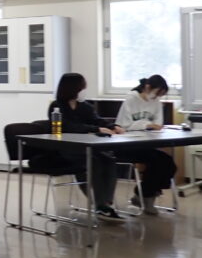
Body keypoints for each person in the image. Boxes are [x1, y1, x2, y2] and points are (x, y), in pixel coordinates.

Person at [48, 72, 126, 223]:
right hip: (66, 149)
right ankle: (101, 206)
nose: (84, 91)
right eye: (82, 88)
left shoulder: (84, 106)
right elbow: (68, 127)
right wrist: (95, 129)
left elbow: (97, 120)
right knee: (94, 162)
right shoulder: (56, 107)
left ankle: (105, 203)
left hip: (86, 148)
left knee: (109, 160)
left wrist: (113, 126)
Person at [115, 75, 178, 215]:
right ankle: (147, 197)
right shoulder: (131, 99)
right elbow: (124, 126)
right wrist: (147, 125)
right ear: (148, 87)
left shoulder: (156, 102)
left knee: (169, 164)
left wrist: (146, 125)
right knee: (157, 162)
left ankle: (141, 195)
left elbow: (158, 124)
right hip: (128, 144)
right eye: (157, 93)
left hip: (147, 144)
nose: (157, 97)